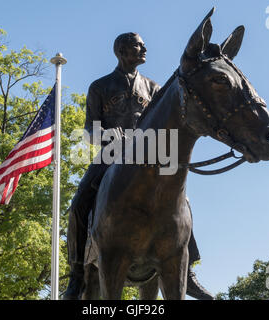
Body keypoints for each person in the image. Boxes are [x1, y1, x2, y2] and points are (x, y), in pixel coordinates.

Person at [63, 32, 213, 300]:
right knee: (79, 202)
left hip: (149, 157)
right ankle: (76, 274)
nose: (144, 49)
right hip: (110, 157)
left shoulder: (153, 88)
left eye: (143, 45)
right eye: (137, 45)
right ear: (121, 51)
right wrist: (111, 138)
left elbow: (164, 123)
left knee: (181, 202)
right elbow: (90, 129)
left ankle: (187, 272)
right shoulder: (100, 87)